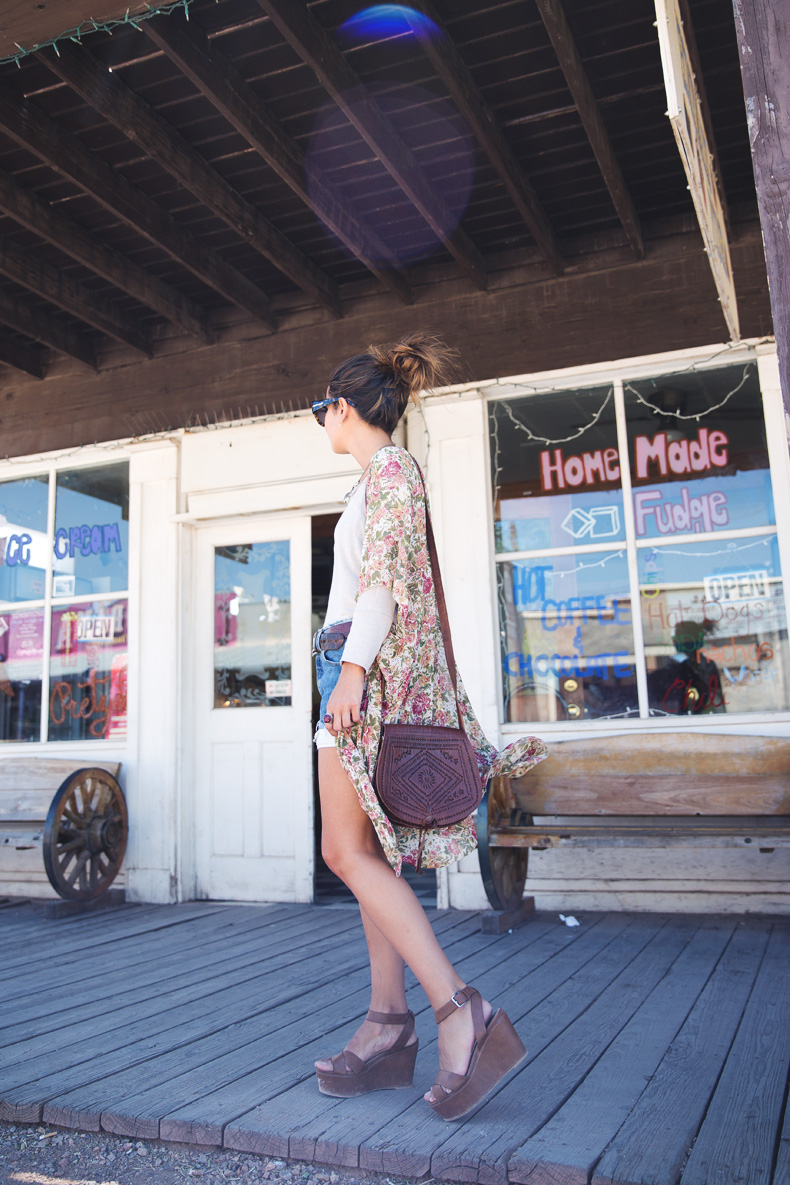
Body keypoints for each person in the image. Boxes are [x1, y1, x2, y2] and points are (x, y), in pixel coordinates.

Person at [311, 333, 547, 1121]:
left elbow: (382, 586)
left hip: (360, 672)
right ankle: (387, 1023)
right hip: (349, 667)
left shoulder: (389, 471)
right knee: (364, 851)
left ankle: (458, 1009)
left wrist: (350, 671)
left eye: (322, 408)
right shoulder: (373, 482)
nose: (321, 421)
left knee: (342, 851)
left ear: (343, 407)